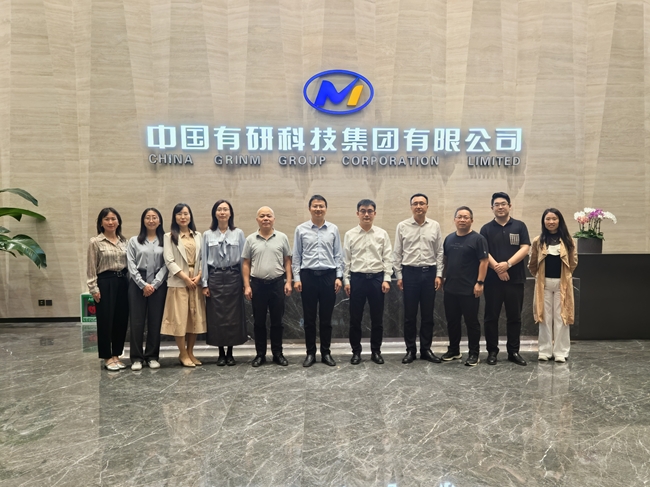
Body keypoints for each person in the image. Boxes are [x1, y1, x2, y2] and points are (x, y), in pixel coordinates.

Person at [480, 192, 531, 366]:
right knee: (491, 317)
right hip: (492, 281)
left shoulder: (519, 226)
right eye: (497, 204)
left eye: (503, 204)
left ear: (509, 206)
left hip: (515, 280)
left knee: (514, 317)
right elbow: (484, 252)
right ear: (492, 208)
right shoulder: (486, 229)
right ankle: (492, 352)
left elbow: (525, 248)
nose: (500, 207)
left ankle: (513, 351)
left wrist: (507, 265)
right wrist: (498, 268)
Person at [293, 194, 343, 367]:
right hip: (308, 277)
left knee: (326, 319)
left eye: (321, 206)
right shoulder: (301, 229)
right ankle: (310, 353)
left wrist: (338, 277)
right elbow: (297, 256)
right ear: (310, 209)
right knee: (309, 319)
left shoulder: (333, 229)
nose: (318, 209)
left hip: (329, 276)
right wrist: (297, 278)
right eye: (315, 206)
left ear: (326, 209)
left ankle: (326, 353)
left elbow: (338, 255)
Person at [393, 193, 444, 364]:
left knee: (428, 315)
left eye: (422, 203)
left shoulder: (435, 226)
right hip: (410, 274)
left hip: (429, 273)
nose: (419, 206)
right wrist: (399, 275)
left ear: (427, 206)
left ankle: (426, 349)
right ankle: (410, 350)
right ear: (411, 207)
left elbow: (439, 252)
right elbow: (397, 252)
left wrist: (438, 274)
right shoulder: (402, 226)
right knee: (410, 315)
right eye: (415, 203)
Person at [343, 199, 392, 365]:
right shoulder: (350, 234)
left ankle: (376, 352)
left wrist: (386, 279)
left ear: (374, 214)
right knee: (355, 319)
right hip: (357, 279)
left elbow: (388, 258)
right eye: (363, 211)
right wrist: (346, 280)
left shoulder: (382, 234)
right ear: (357, 213)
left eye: (370, 211)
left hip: (377, 279)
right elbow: (346, 260)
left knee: (377, 319)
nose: (366, 214)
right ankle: (356, 352)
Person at [242, 206, 292, 367]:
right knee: (259, 322)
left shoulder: (282, 237)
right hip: (257, 285)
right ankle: (260, 354)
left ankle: (278, 354)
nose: (265, 218)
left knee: (277, 322)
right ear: (257, 220)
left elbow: (287, 261)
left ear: (274, 219)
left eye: (268, 216)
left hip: (277, 284)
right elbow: (246, 263)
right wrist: (247, 286)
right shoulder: (250, 239)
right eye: (262, 216)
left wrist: (289, 281)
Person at [528, 208, 578, 363]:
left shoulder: (568, 240)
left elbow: (573, 262)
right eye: (548, 219)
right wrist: (539, 277)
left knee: (562, 317)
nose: (551, 222)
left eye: (554, 219)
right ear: (543, 221)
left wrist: (566, 276)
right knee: (544, 317)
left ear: (559, 221)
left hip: (562, 284)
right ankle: (544, 351)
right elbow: (532, 263)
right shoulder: (538, 241)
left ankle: (561, 352)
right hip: (544, 284)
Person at [202, 200, 248, 366]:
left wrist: (245, 283)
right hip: (215, 276)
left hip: (233, 276)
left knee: (233, 315)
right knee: (217, 316)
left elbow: (243, 260)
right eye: (219, 209)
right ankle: (220, 353)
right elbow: (204, 260)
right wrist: (205, 283)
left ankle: (230, 352)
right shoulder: (207, 235)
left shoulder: (238, 233)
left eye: (225, 209)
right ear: (215, 213)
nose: (222, 212)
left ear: (230, 213)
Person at [441, 207, 489, 366]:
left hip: (470, 289)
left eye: (466, 217)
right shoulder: (449, 239)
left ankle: (474, 353)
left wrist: (480, 282)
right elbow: (445, 261)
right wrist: (443, 278)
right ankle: (454, 350)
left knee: (471, 322)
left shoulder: (478, 239)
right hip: (450, 289)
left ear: (471, 220)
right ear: (454, 220)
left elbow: (484, 262)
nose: (462, 220)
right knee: (452, 321)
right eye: (459, 217)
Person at [160, 203, 206, 367]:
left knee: (194, 318)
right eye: (179, 214)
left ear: (190, 216)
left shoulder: (198, 235)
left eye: (186, 213)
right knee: (179, 319)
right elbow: (169, 260)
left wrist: (199, 276)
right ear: (175, 217)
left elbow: (203, 258)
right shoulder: (169, 236)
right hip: (179, 281)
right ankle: (183, 353)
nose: (183, 217)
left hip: (196, 282)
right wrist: (185, 278)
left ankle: (191, 352)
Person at [87, 208, 129, 371]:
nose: (111, 222)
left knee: (121, 319)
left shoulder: (124, 241)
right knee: (105, 321)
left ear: (118, 221)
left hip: (123, 281)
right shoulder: (95, 242)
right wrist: (93, 288)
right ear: (101, 222)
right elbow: (91, 267)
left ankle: (116, 354)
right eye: (107, 219)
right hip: (105, 282)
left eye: (113, 219)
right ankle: (107, 356)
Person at [126, 208, 168, 371]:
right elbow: (131, 264)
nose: (151, 220)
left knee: (155, 321)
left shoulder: (165, 241)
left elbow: (167, 264)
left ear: (159, 220)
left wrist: (155, 284)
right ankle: (136, 357)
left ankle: (152, 356)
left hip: (159, 283)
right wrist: (143, 284)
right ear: (143, 221)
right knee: (136, 321)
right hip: (138, 283)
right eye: (148, 217)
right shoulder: (134, 241)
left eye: (154, 217)